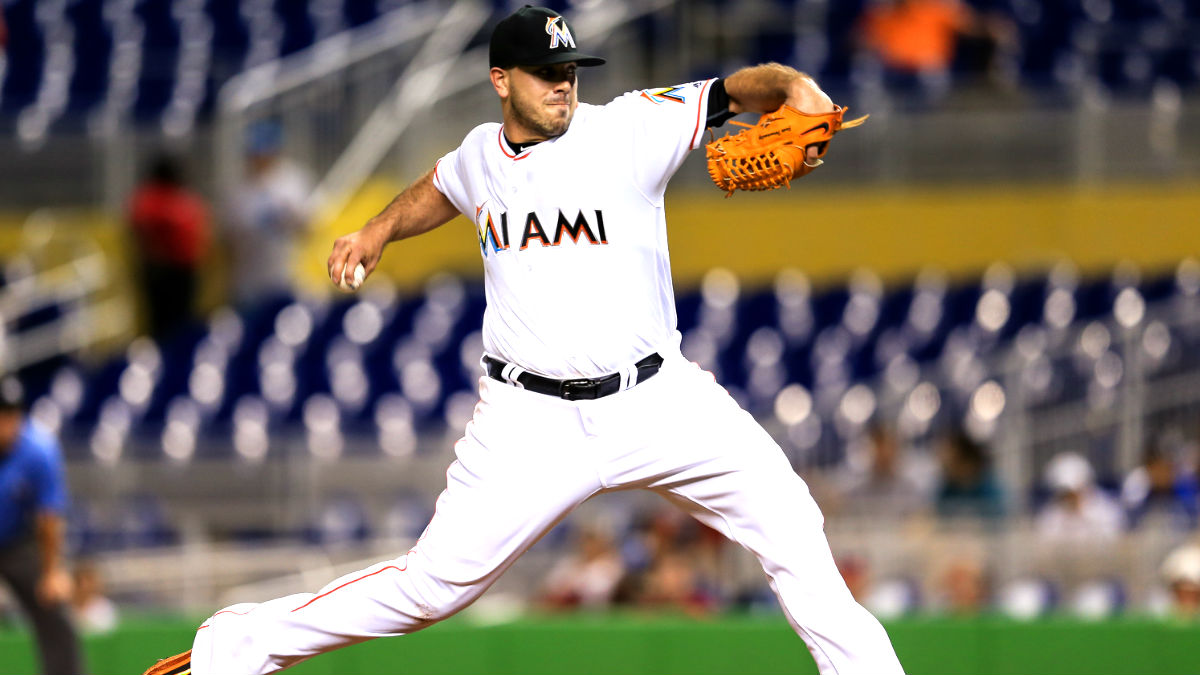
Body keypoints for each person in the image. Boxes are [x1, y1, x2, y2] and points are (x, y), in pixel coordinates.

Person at [144, 7, 904, 675]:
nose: (563, 84)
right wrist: (378, 228)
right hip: (529, 417)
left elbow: (743, 90)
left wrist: (797, 90)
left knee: (788, 518)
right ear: (500, 79)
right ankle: (234, 649)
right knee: (433, 586)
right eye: (545, 73)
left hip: (656, 397)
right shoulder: (480, 152)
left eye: (570, 69)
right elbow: (440, 186)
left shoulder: (632, 126)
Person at [0, 377, 84, 675]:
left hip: (19, 541)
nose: (6, 423)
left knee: (53, 607)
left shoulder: (39, 450)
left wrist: (52, 571)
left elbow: (49, 517)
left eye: (11, 414)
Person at [223, 119, 313, 308]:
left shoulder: (292, 181)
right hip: (250, 281)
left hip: (287, 277)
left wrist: (286, 218)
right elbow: (229, 240)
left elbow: (308, 227)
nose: (258, 158)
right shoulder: (239, 190)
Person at [127, 153, 211, 342]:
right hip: (160, 270)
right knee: (161, 324)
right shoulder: (149, 199)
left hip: (184, 270)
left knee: (182, 321)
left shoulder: (184, 198)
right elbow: (141, 228)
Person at [1035, 451, 1124, 544]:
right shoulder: (1051, 515)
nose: (1068, 500)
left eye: (1073, 494)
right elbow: (1046, 540)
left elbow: (1112, 538)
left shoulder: (1105, 512)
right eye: (1064, 495)